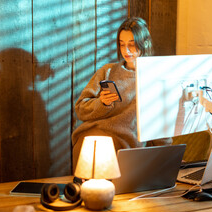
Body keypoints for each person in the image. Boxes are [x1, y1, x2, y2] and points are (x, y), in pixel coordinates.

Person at [71, 17, 172, 172]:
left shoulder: (154, 78)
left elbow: (159, 123)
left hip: (127, 146)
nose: (126, 50)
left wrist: (170, 156)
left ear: (144, 43)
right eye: (122, 44)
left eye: (131, 44)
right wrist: (102, 103)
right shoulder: (108, 71)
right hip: (94, 141)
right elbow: (80, 109)